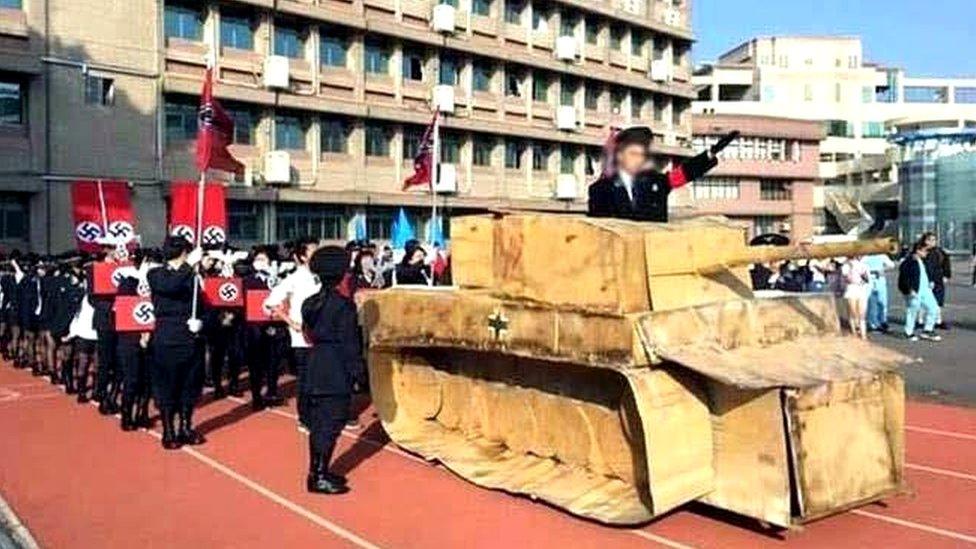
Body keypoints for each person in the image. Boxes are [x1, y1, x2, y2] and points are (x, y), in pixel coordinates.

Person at [300, 246, 366, 495]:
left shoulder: (310, 303)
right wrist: (359, 374)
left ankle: (319, 471)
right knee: (330, 424)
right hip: (335, 367)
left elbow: (307, 334)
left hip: (315, 363)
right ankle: (317, 476)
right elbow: (350, 344)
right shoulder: (343, 306)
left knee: (319, 424)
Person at [588, 127, 737, 222]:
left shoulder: (657, 182)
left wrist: (710, 154)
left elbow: (685, 173)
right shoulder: (600, 189)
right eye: (634, 153)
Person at [148, 237, 206, 450]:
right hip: (167, 337)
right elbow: (170, 286)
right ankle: (168, 430)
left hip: (190, 336)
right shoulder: (156, 274)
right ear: (182, 253)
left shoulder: (192, 276)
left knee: (189, 386)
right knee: (168, 387)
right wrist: (189, 265)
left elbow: (201, 304)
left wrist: (200, 322)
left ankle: (185, 427)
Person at [264, 237, 321, 430]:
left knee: (320, 377)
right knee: (306, 379)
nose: (317, 254)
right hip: (302, 338)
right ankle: (304, 418)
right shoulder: (294, 278)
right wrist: (291, 322)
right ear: (303, 257)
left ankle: (318, 414)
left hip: (322, 334)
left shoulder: (321, 276)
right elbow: (270, 303)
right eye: (313, 251)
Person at [242, 248, 287, 411]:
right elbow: (244, 304)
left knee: (274, 363)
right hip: (254, 329)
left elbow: (283, 301)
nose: (260, 262)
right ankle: (256, 396)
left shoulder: (278, 280)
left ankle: (272, 392)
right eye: (258, 259)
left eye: (264, 259)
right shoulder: (247, 280)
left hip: (275, 328)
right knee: (256, 365)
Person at [897, 243, 942, 342]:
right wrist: (909, 289)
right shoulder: (908, 262)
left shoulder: (923, 261)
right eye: (925, 251)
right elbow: (903, 278)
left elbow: (927, 273)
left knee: (933, 308)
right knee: (912, 311)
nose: (927, 253)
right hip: (914, 290)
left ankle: (927, 330)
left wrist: (930, 281)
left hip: (925, 290)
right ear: (918, 251)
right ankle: (908, 332)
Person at [920, 232, 951, 329]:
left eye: (934, 240)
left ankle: (938, 320)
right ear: (925, 241)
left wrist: (946, 275)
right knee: (923, 301)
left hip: (939, 279)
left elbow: (946, 263)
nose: (932, 242)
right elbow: (922, 267)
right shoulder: (922, 251)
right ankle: (921, 321)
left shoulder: (940, 252)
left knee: (939, 301)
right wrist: (929, 279)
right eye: (929, 240)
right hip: (925, 280)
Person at [864, 253, 895, 333]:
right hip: (869, 280)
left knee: (882, 301)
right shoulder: (865, 256)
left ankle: (883, 321)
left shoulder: (882, 255)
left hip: (880, 279)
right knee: (871, 302)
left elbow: (892, 265)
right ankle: (873, 324)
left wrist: (883, 269)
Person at [841, 256, 871, 339]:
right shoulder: (845, 266)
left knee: (862, 314)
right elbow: (847, 279)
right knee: (853, 313)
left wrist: (861, 273)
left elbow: (867, 278)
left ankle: (863, 334)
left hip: (860, 288)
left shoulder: (863, 265)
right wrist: (851, 269)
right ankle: (854, 332)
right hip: (851, 289)